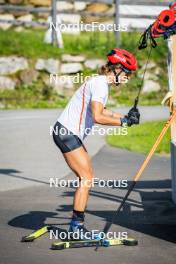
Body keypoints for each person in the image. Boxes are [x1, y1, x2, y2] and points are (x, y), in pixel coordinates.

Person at [52, 48, 140, 240]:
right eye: (126, 73)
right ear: (116, 68)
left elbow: (102, 110)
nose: (127, 78)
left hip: (67, 132)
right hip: (67, 133)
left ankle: (76, 224)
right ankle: (76, 227)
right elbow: (99, 117)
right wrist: (123, 123)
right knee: (87, 178)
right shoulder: (100, 84)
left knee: (87, 177)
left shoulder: (99, 83)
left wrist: (126, 117)